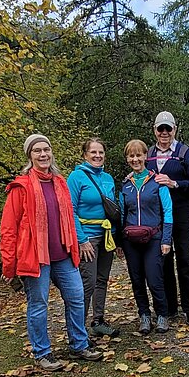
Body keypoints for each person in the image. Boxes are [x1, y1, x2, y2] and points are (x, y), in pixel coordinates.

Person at [0, 133, 103, 370]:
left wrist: (78, 242)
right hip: (36, 258)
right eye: (37, 151)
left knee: (76, 298)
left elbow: (69, 216)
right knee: (38, 304)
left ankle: (79, 345)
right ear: (30, 155)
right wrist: (9, 265)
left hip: (63, 254)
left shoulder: (60, 183)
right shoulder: (21, 187)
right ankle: (42, 353)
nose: (43, 154)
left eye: (46, 149)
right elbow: (8, 228)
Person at [146, 111, 189, 330]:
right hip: (157, 215)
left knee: (186, 261)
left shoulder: (184, 153)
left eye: (168, 128)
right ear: (154, 130)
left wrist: (175, 183)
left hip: (180, 213)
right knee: (163, 260)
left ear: (174, 130)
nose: (164, 133)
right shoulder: (149, 153)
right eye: (160, 128)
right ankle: (168, 308)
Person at [119, 139, 173, 334]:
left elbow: (168, 212)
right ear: (127, 159)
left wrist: (166, 239)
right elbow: (122, 215)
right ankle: (144, 315)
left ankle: (162, 314)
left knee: (154, 278)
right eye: (131, 156)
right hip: (130, 240)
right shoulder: (125, 185)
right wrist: (119, 242)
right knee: (136, 279)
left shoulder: (158, 182)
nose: (135, 159)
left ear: (145, 157)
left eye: (139, 155)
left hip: (154, 238)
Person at [67, 138, 119, 338]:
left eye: (101, 152)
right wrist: (81, 240)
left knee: (102, 280)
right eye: (93, 152)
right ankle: (79, 330)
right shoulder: (76, 177)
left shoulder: (107, 178)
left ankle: (98, 320)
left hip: (106, 235)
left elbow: (112, 209)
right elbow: (70, 210)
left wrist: (116, 238)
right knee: (87, 282)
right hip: (87, 237)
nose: (98, 156)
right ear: (85, 155)